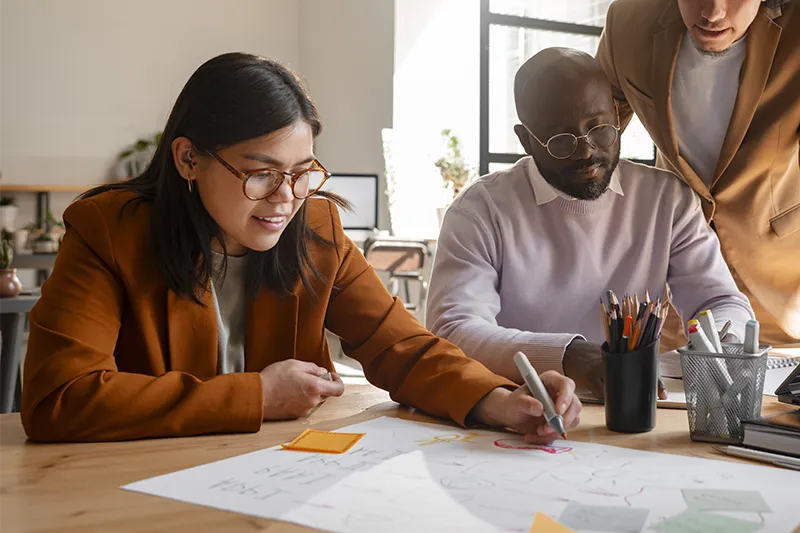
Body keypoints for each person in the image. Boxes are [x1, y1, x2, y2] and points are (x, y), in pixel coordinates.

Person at [21, 53, 581, 443]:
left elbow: (401, 347)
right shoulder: (107, 230)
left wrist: (500, 401)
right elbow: (58, 399)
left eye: (301, 172)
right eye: (261, 174)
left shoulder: (315, 228)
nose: (284, 199)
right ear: (189, 159)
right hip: (135, 482)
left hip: (278, 477)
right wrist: (255, 397)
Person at [426, 48, 755, 398]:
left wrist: (722, 338)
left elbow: (721, 301)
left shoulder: (666, 200)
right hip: (522, 408)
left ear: (616, 114)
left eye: (599, 130)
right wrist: (569, 356)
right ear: (525, 140)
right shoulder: (480, 210)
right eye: (561, 141)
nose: (585, 153)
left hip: (633, 405)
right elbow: (453, 330)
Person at [596, 0, 800, 349]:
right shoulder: (628, 24)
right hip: (677, 289)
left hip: (781, 285)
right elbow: (593, 132)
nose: (712, 13)